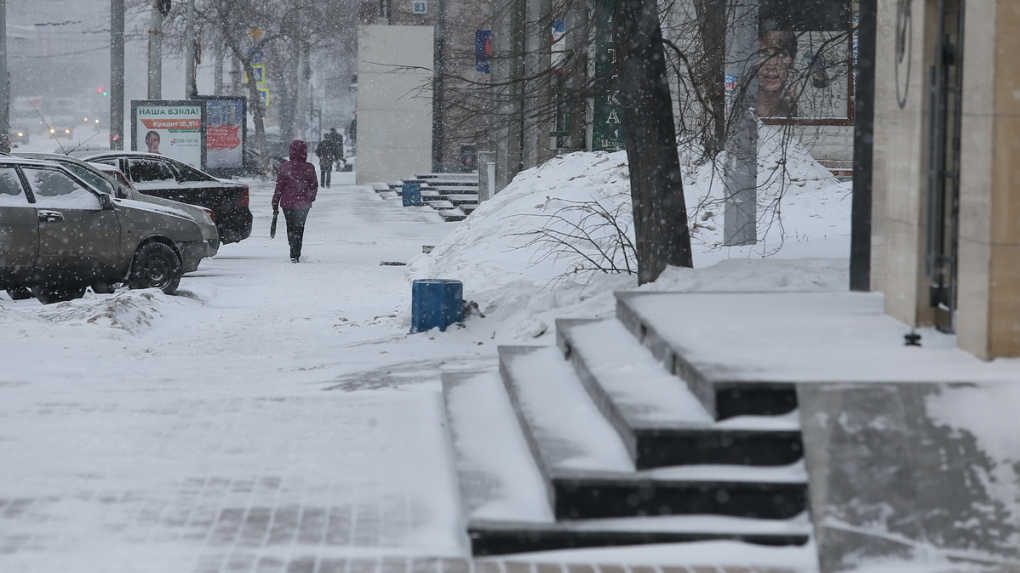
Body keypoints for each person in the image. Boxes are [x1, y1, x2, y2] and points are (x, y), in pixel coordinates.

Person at [272, 140, 318, 263]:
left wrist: (275, 202)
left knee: (290, 226)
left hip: (287, 202)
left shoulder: (285, 166)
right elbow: (314, 185)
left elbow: (279, 187)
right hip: (303, 203)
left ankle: (293, 249)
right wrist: (311, 197)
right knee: (300, 227)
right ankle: (296, 252)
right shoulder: (309, 167)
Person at [757, 30, 798, 119]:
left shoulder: (802, 111)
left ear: (792, 60)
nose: (772, 64)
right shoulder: (740, 110)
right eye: (762, 54)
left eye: (781, 54)